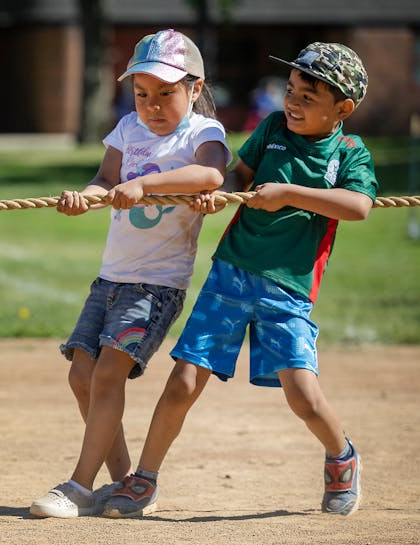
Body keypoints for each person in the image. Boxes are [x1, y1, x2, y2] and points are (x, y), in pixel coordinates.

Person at [103, 42, 374, 519]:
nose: (291, 102)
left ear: (343, 109)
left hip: (287, 288)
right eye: (290, 91)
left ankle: (340, 455)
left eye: (307, 98)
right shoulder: (270, 129)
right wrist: (221, 194)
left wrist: (289, 193)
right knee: (183, 381)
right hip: (230, 272)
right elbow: (238, 176)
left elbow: (359, 207)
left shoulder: (350, 152)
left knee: (303, 397)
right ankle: (144, 479)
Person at [29, 29, 231, 519]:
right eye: (143, 94)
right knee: (82, 375)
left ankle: (78, 486)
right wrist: (87, 196)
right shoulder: (126, 129)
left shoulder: (202, 134)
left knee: (107, 374)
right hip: (112, 277)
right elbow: (105, 179)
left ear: (195, 88)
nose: (152, 105)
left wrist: (145, 184)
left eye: (166, 93)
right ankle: (122, 484)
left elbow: (211, 176)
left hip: (156, 284)